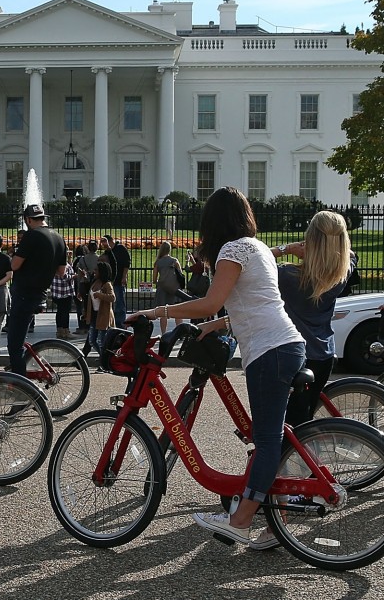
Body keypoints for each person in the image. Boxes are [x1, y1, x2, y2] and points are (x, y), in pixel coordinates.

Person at [127, 186, 305, 550]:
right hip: (283, 344)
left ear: (214, 221)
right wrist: (219, 324)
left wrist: (156, 311)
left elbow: (211, 301)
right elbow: (257, 301)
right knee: (270, 434)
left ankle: (241, 521)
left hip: (268, 351)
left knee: (266, 440)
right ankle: (277, 521)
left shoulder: (233, 249)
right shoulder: (256, 248)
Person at [274, 212, 355, 427]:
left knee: (287, 426)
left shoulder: (288, 276)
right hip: (324, 354)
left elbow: (253, 261)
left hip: (296, 355)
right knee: (303, 421)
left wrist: (287, 249)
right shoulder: (343, 273)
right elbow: (350, 255)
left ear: (309, 241)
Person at [8, 204, 67, 376]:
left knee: (14, 344)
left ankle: (19, 384)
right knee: (20, 336)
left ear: (27, 220)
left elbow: (15, 265)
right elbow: (61, 271)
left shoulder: (31, 236)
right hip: (41, 292)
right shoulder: (58, 237)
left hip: (25, 292)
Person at [85, 267, 115, 368]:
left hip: (103, 315)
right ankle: (104, 358)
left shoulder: (107, 284)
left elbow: (112, 297)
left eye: (97, 270)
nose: (94, 272)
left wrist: (100, 295)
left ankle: (104, 363)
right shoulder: (94, 282)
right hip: (94, 315)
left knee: (102, 342)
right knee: (92, 340)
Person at [152, 241, 184, 333]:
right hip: (174, 288)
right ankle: (180, 332)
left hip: (162, 288)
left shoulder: (158, 262)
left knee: (163, 312)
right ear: (169, 250)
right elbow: (180, 274)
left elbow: (154, 279)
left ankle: (163, 333)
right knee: (177, 311)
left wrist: (159, 282)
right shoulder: (174, 260)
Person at [102, 234, 131, 327]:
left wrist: (124, 276)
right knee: (112, 304)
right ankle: (113, 323)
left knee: (120, 304)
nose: (104, 246)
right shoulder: (107, 252)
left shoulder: (121, 249)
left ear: (110, 241)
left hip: (119, 280)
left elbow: (127, 263)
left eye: (106, 243)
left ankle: (121, 325)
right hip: (110, 281)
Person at [74, 240, 100, 330]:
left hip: (84, 284)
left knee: (85, 305)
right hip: (95, 285)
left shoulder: (82, 259)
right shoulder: (99, 259)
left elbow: (79, 275)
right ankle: (94, 324)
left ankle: (84, 325)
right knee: (95, 306)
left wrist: (78, 290)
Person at [50, 252, 76, 339]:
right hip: (64, 291)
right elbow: (64, 276)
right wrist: (74, 276)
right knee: (65, 312)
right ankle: (65, 330)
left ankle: (60, 330)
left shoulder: (54, 262)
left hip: (57, 291)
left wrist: (69, 260)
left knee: (60, 311)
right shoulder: (62, 264)